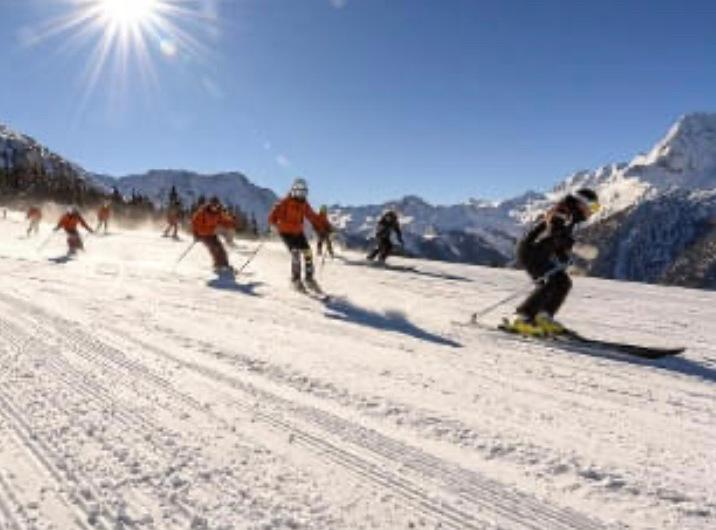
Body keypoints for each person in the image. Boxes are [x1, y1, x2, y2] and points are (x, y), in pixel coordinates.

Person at [507, 188, 601, 336]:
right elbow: (556, 234)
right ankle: (521, 317)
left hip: (541, 253)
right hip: (530, 251)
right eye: (593, 207)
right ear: (581, 203)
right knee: (549, 283)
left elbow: (557, 244)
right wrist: (576, 247)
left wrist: (567, 264)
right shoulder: (562, 211)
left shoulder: (570, 216)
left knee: (563, 282)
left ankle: (543, 317)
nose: (593, 212)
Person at [268, 178, 329, 291]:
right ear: (293, 191)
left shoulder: (304, 204)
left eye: (304, 193)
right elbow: (273, 216)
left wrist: (322, 226)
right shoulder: (284, 203)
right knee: (295, 253)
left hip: (298, 232)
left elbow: (312, 217)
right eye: (299, 192)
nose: (301, 195)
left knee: (308, 252)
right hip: (285, 232)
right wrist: (273, 224)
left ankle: (309, 279)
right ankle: (295, 279)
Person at [191, 196, 236, 273]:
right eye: (213, 205)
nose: (215, 207)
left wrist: (232, 222)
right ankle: (218, 265)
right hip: (203, 234)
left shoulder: (218, 213)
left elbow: (224, 221)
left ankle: (225, 265)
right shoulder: (202, 212)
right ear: (210, 204)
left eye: (216, 205)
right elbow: (194, 223)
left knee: (221, 249)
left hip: (211, 233)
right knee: (214, 249)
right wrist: (195, 235)